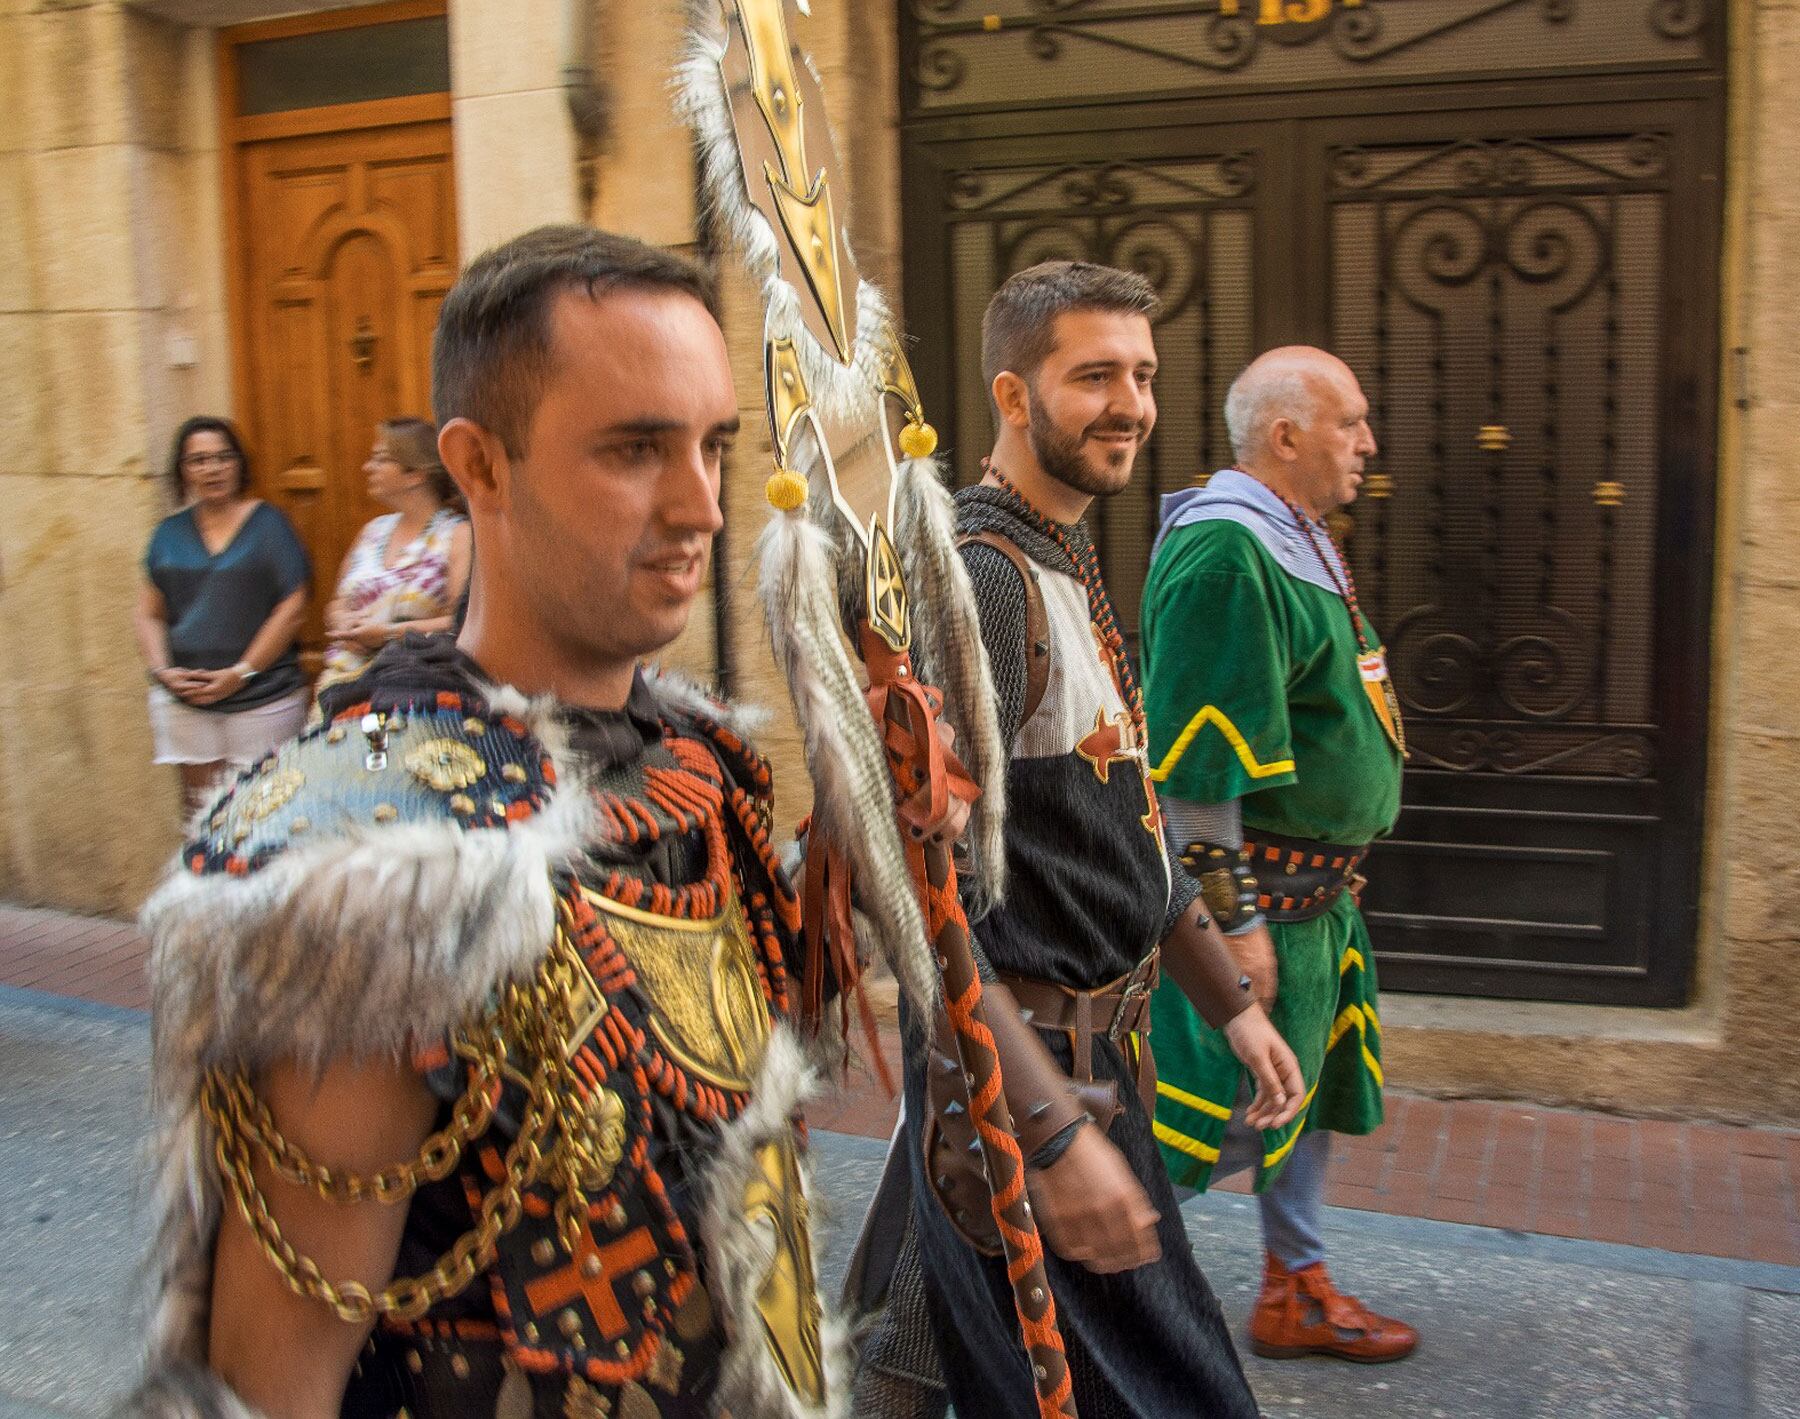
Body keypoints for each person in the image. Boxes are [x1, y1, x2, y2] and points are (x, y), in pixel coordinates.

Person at [127, 226, 854, 1419]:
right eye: (635, 451)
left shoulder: (701, 765)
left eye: (714, 446)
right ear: (482, 465)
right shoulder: (374, 874)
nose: (703, 508)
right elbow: (276, 1379)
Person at [854, 260, 1306, 1419]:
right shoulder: (984, 583)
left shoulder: (1068, 558)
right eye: (1094, 375)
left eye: (1144, 375)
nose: (1131, 404)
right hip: (1035, 1087)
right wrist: (1051, 1138)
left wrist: (1230, 1002)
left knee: (932, 1356)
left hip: (1103, 1074)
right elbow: (918, 899)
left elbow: (1123, 828)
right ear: (1013, 396)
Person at [1141, 345, 1418, 1363]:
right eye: (1352, 422)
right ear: (1287, 434)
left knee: (1297, 1102)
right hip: (1265, 905)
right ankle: (1062, 1291)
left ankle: (1292, 1288)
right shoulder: (1227, 554)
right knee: (1200, 1118)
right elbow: (1197, 772)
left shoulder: (1297, 538)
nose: (1369, 444)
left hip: (1319, 909)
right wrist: (1232, 924)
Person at [133, 416, 311, 815]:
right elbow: (148, 614)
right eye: (198, 460)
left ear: (239, 463)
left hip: (263, 698)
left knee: (268, 813)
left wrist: (241, 673)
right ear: (183, 470)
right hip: (186, 699)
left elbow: (293, 606)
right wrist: (163, 672)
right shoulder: (167, 532)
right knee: (203, 817)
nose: (212, 469)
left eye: (222, 457)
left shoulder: (270, 525)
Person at [316, 417, 472, 694]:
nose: (368, 467)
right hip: (343, 683)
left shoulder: (457, 535)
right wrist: (342, 621)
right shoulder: (372, 531)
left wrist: (386, 633)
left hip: (416, 687)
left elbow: (461, 621)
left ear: (415, 474)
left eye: (380, 459)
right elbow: (338, 601)